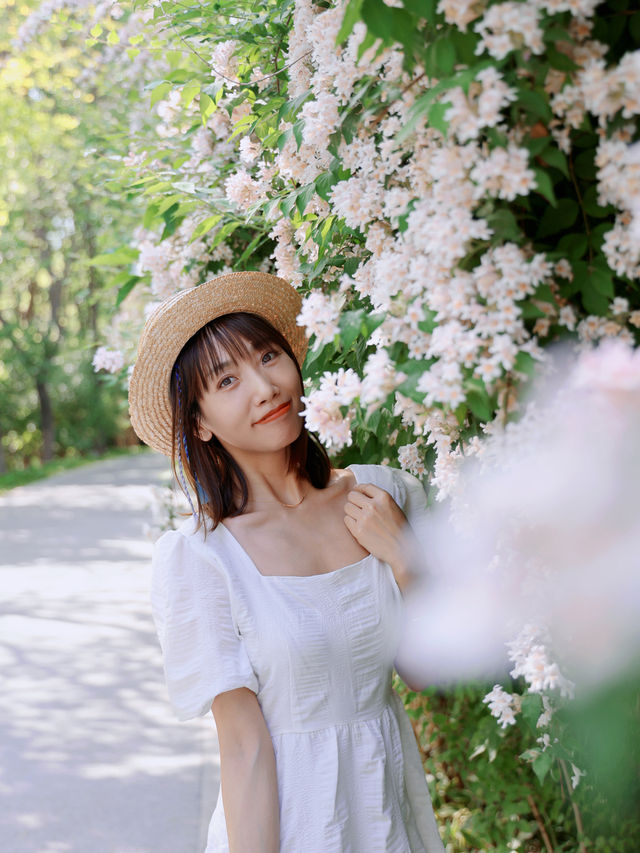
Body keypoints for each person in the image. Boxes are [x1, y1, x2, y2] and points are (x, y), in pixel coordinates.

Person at [128, 271, 445, 853]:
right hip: (291, 827)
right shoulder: (204, 559)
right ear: (199, 423)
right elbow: (245, 750)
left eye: (268, 356)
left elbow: (429, 680)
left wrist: (407, 561)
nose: (264, 387)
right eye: (227, 380)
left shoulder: (381, 499)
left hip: (388, 815)